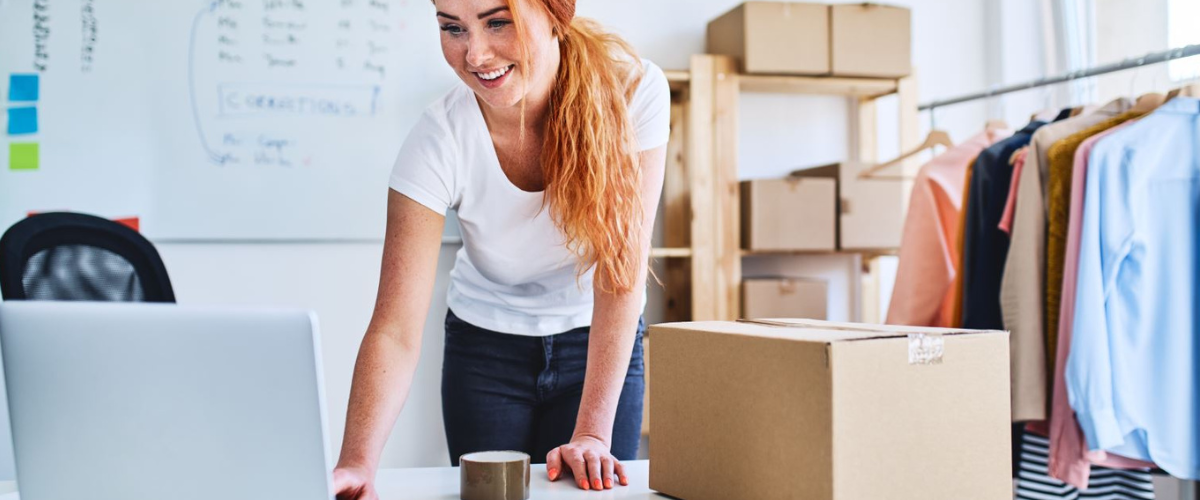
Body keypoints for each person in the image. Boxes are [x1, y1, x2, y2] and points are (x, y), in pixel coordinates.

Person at [331, 0, 670, 497]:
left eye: (497, 21)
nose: (476, 54)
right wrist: (357, 463)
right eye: (452, 28)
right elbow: (395, 330)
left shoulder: (632, 90)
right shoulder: (439, 137)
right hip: (485, 349)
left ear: (556, 13)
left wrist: (593, 432)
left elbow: (620, 273)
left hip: (594, 343)